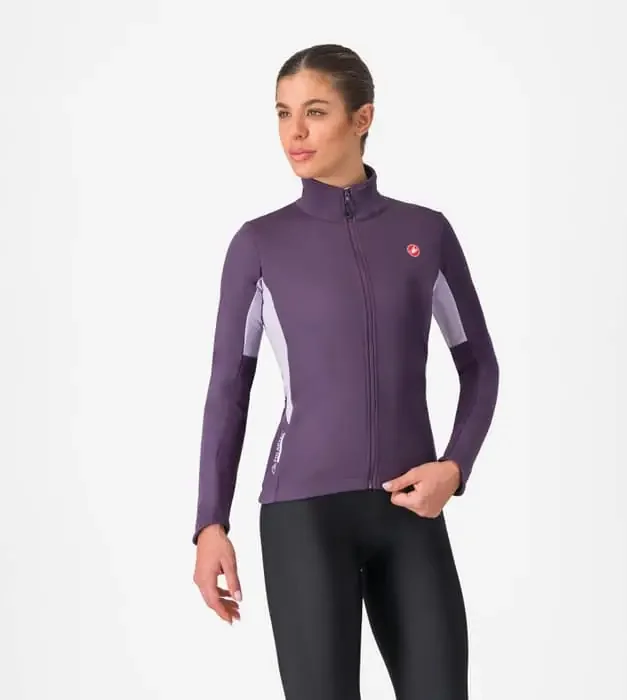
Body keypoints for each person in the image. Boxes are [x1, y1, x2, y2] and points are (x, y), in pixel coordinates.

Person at [192, 43, 500, 700]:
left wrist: (454, 467)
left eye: (315, 112)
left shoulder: (426, 233)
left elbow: (479, 365)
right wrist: (210, 523)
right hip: (303, 516)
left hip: (410, 512)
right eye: (283, 113)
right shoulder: (260, 244)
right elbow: (228, 389)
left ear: (362, 118)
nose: (295, 133)